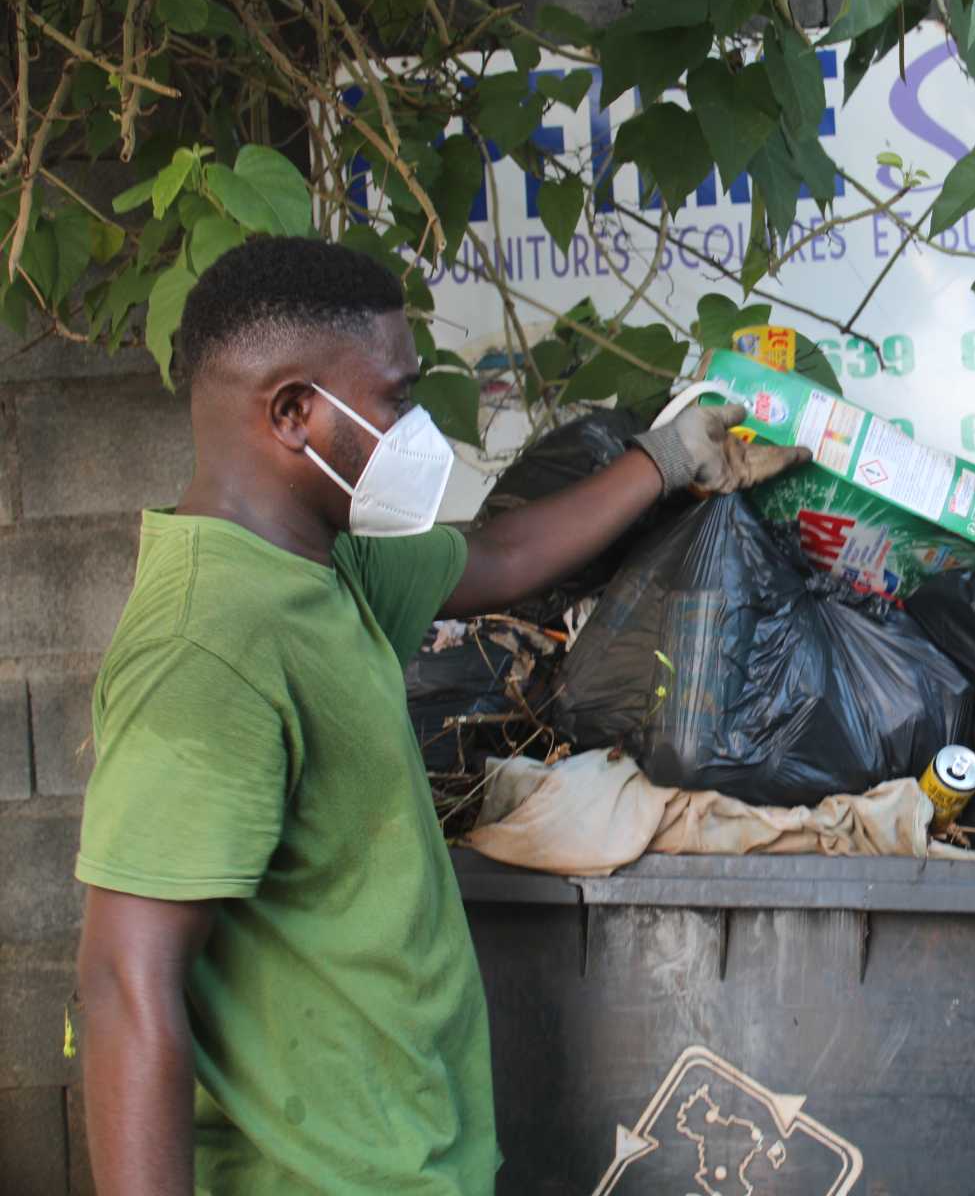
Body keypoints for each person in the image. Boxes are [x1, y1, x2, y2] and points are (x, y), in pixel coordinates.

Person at [71, 235, 808, 1195]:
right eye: (395, 397)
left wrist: (669, 459)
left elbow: (497, 558)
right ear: (295, 413)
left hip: (411, 1158)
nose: (418, 425)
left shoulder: (323, 565)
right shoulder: (205, 650)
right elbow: (128, 986)